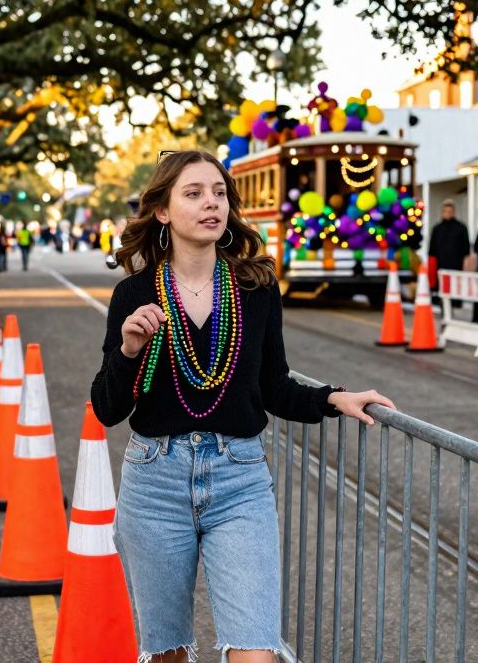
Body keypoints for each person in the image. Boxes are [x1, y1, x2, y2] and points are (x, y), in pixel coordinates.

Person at [91, 150, 393, 663]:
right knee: (167, 654)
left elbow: (273, 386)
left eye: (218, 193)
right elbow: (106, 408)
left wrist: (332, 398)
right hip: (155, 481)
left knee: (256, 651)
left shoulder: (256, 288)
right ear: (162, 211)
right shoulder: (134, 294)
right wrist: (129, 350)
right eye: (193, 194)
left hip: (239, 480)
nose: (211, 203)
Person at [428, 199, 470, 309]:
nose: (447, 213)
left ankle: (455, 306)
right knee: (442, 290)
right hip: (440, 266)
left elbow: (466, 249)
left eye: (450, 211)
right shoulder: (437, 229)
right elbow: (432, 250)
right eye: (445, 211)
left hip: (456, 266)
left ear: (453, 212)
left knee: (455, 290)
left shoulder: (461, 228)